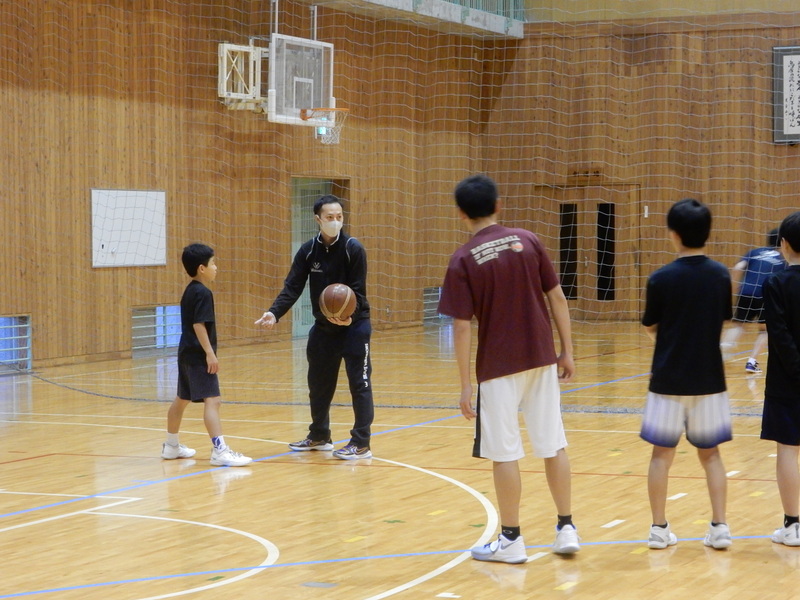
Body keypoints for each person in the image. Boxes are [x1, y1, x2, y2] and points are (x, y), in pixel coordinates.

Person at [438, 174, 580, 564]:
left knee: (505, 454)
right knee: (553, 443)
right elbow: (557, 296)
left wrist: (465, 385)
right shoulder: (528, 240)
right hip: (541, 357)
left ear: (460, 214)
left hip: (498, 367)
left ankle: (512, 541)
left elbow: (462, 325)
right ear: (498, 205)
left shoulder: (463, 259)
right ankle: (566, 528)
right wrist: (566, 350)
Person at [641, 198, 733, 550]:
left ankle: (659, 529)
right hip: (710, 380)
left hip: (667, 380)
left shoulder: (660, 278)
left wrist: (669, 340)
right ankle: (721, 527)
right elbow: (723, 320)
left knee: (661, 454)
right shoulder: (720, 275)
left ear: (673, 235)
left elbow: (650, 326)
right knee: (711, 454)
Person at [255, 195, 374, 460]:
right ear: (317, 219)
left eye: (339, 217)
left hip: (355, 327)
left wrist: (349, 317)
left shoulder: (353, 249)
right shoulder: (308, 251)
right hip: (323, 329)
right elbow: (292, 286)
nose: (335, 221)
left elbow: (359, 292)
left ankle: (361, 442)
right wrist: (274, 313)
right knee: (318, 384)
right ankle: (320, 435)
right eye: (330, 217)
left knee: (360, 384)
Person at [161, 243, 253, 467]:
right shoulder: (203, 292)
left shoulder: (191, 290)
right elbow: (199, 325)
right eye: (213, 263)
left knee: (182, 399)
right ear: (202, 268)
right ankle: (220, 450)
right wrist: (210, 354)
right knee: (213, 400)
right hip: (198, 355)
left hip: (186, 353)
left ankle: (171, 446)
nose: (216, 267)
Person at [760, 211, 800, 547]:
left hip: (787, 381)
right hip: (790, 379)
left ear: (783, 244)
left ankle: (793, 524)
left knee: (787, 449)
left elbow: (780, 334)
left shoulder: (774, 283)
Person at [721, 228, 785, 373]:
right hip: (766, 294)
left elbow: (738, 267)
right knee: (765, 330)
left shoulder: (755, 252)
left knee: (739, 325)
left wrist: (735, 287)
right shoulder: (782, 257)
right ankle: (752, 362)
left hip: (746, 291)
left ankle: (724, 346)